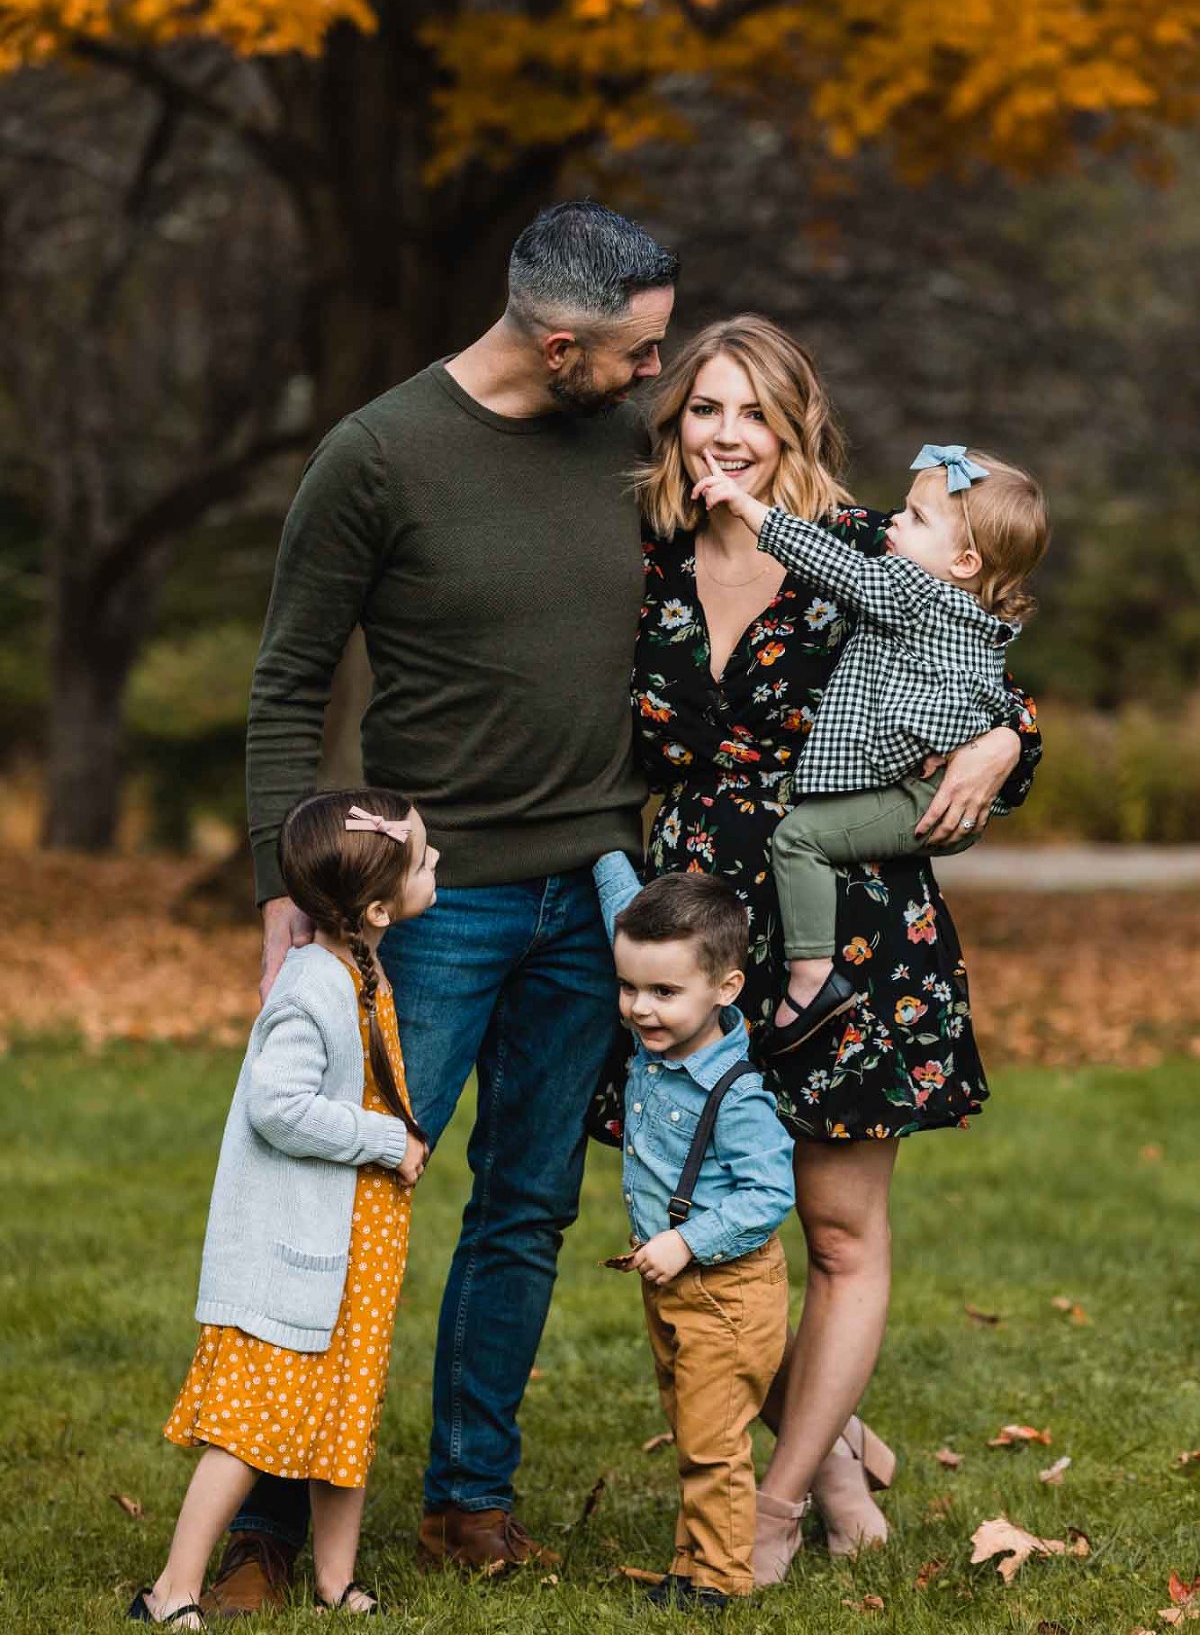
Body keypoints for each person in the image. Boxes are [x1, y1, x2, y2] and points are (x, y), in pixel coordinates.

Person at [210, 202, 680, 1612]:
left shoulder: (625, 444)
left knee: (524, 1207)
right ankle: (268, 1526)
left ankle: (470, 1498)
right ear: (558, 344)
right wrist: (286, 904)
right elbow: (288, 683)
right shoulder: (375, 456)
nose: (657, 376)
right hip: (431, 907)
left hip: (591, 897)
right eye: (640, 354)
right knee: (339, 1207)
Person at [626, 315, 1042, 1585]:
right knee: (700, 1211)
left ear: (797, 427)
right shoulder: (640, 559)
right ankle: (843, 1443)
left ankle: (781, 1499)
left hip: (851, 916)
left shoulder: (866, 548)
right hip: (695, 925)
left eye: (756, 413)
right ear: (677, 426)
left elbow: (985, 675)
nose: (730, 435)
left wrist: (1006, 744)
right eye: (707, 410)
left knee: (836, 1231)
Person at [128, 789, 435, 1627]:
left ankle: (336, 1582)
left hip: (356, 1244)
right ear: (377, 907)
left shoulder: (358, 964)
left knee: (348, 1410)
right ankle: (171, 1591)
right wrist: (382, 1138)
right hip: (299, 1248)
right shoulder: (314, 987)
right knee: (251, 1425)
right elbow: (278, 1106)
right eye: (425, 859)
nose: (438, 864)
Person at [690, 442, 1049, 1049]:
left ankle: (812, 977)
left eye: (915, 518)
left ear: (963, 560)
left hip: (926, 798)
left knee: (799, 838)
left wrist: (748, 509)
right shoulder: (971, 614)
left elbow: (836, 566)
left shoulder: (914, 591)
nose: (894, 523)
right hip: (918, 789)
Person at [594, 861, 795, 1607]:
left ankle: (717, 1582)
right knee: (691, 1429)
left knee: (714, 1444)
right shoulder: (665, 1044)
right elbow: (623, 900)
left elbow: (771, 1191)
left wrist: (689, 1240)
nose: (640, 1009)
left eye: (664, 993)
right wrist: (599, 842)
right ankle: (689, 1567)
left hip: (725, 1290)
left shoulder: (733, 1094)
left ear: (726, 990)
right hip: (675, 1287)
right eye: (630, 989)